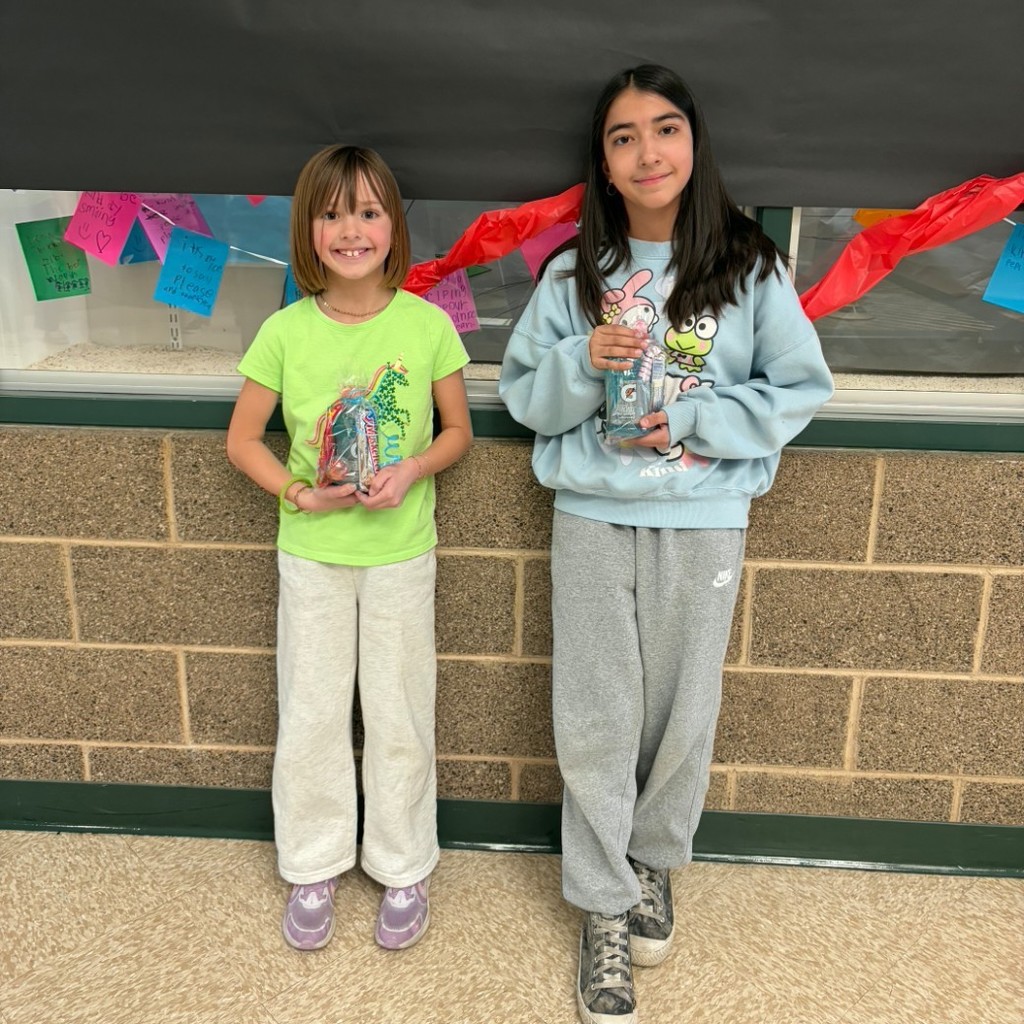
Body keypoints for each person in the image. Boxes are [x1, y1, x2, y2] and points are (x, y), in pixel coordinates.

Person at [499, 65, 833, 1024]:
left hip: (705, 517)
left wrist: (696, 419)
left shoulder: (751, 267)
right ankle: (602, 903)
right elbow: (526, 396)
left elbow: (797, 392)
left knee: (686, 710)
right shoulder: (574, 278)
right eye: (623, 137)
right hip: (596, 515)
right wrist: (578, 361)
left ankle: (652, 865)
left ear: (694, 144)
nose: (648, 152)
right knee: (596, 711)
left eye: (666, 129)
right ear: (602, 164)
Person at [227, 144, 472, 954]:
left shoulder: (427, 323)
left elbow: (457, 432)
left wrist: (410, 471)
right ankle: (313, 859)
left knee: (401, 711)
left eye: (368, 211)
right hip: (314, 553)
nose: (351, 230)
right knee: (313, 711)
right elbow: (243, 442)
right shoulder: (284, 331)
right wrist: (299, 492)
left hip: (401, 551)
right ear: (309, 228)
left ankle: (403, 863)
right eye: (332, 213)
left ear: (393, 225)